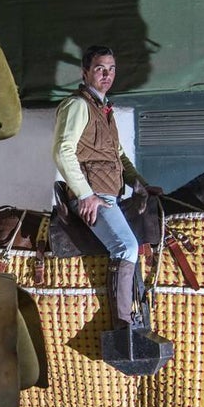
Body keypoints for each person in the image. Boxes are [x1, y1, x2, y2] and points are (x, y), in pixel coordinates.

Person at [53, 45, 162, 330]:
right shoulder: (78, 106)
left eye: (111, 69)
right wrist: (85, 195)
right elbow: (63, 151)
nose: (107, 74)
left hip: (109, 194)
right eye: (100, 68)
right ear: (85, 72)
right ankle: (122, 328)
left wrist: (142, 184)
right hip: (94, 195)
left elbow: (120, 156)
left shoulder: (105, 109)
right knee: (126, 247)